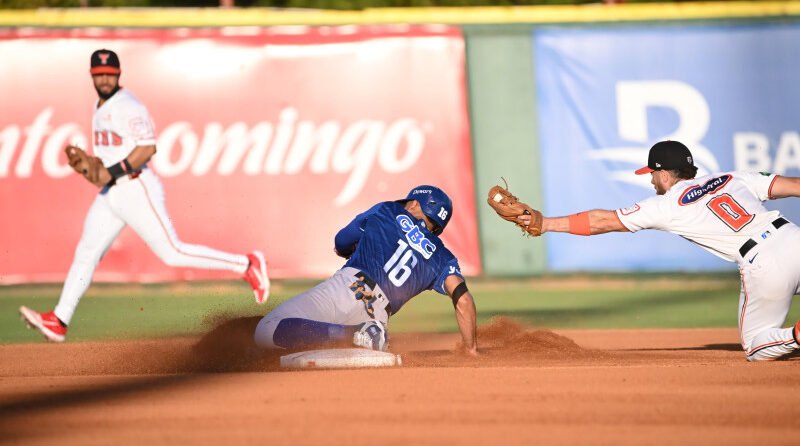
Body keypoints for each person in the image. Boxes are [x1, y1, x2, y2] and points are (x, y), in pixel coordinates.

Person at [19, 49, 270, 343]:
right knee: (86, 252)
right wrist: (92, 167)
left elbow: (147, 147)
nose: (104, 78)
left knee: (172, 252)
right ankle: (59, 320)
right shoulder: (99, 105)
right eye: (99, 74)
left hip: (136, 187)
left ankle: (247, 265)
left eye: (109, 73)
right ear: (92, 76)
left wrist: (109, 171)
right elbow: (108, 159)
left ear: (118, 73)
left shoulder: (128, 106)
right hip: (111, 192)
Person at [515, 140, 800, 361]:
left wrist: (545, 223)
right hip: (791, 235)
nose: (651, 181)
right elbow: (794, 185)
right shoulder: (732, 177)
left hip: (764, 262)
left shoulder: (667, 205)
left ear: (664, 174)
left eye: (652, 174)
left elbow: (603, 221)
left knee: (755, 345)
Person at [254, 185, 478, 355]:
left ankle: (353, 334)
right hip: (379, 314)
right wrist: (471, 349)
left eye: (409, 202)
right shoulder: (442, 256)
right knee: (318, 345)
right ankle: (365, 335)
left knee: (267, 329)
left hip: (349, 288)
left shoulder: (388, 210)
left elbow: (342, 241)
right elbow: (463, 300)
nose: (406, 204)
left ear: (415, 205)